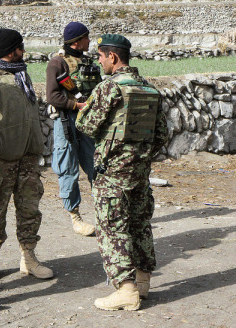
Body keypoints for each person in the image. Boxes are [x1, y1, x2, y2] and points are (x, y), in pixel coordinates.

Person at [75, 34, 168, 311]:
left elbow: (87, 126)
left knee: (112, 228)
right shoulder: (149, 89)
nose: (100, 62)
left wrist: (85, 106)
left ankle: (126, 290)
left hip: (112, 173)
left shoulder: (110, 88)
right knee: (139, 224)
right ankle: (143, 283)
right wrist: (139, 156)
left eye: (101, 56)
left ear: (112, 57)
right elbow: (162, 134)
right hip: (139, 173)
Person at [0, 28, 54, 283]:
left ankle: (29, 258)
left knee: (30, 210)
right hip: (0, 161)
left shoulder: (20, 74)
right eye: (20, 46)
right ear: (9, 49)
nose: (23, 50)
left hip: (28, 159)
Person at [46, 22, 102, 236]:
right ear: (77, 41)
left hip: (88, 122)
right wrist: (75, 105)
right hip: (66, 122)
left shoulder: (87, 61)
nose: (90, 41)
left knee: (96, 165)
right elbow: (52, 96)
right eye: (86, 38)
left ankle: (103, 213)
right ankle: (76, 218)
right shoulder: (57, 63)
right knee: (68, 169)